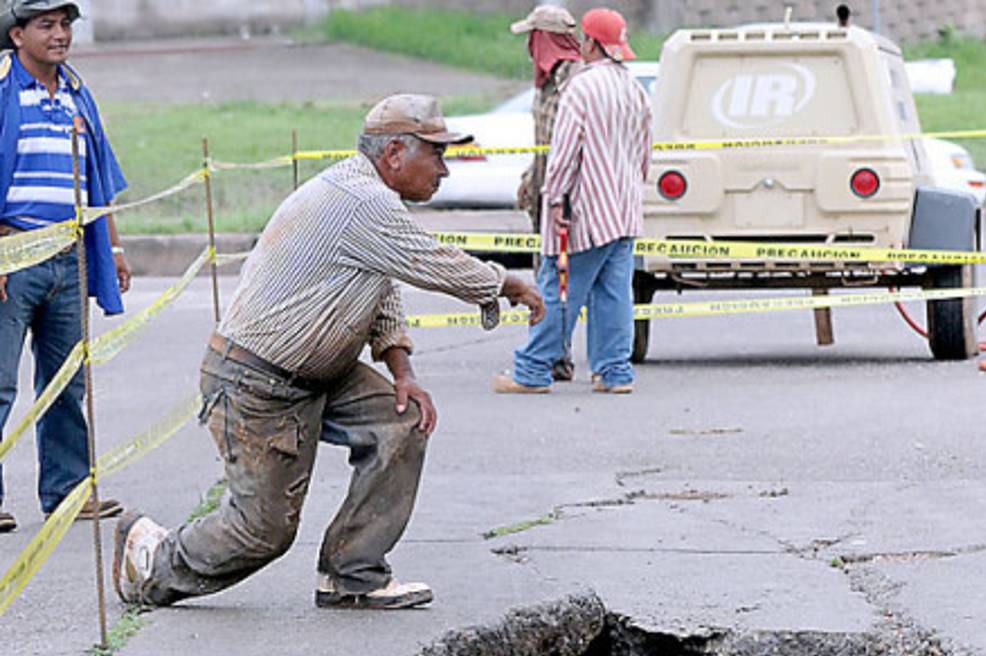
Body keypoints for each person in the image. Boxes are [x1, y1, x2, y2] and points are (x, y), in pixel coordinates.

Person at [113, 94, 545, 611]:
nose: (445, 171)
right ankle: (152, 561)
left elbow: (380, 290)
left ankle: (353, 573)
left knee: (399, 419)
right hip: (258, 384)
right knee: (262, 533)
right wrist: (505, 282)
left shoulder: (368, 198)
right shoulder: (362, 201)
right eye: (437, 155)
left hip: (319, 374)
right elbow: (432, 262)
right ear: (394, 154)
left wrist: (400, 370)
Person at [0, 0, 131, 533]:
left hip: (69, 255)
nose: (60, 36)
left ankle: (67, 491)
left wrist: (113, 249)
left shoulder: (77, 94)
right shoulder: (5, 92)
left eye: (65, 25)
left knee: (66, 381)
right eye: (46, 26)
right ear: (17, 36)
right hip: (14, 253)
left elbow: (96, 175)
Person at [494, 7, 651, 396]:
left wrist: (556, 201)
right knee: (614, 295)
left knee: (559, 290)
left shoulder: (581, 87)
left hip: (582, 211)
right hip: (624, 209)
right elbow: (645, 153)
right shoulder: (634, 87)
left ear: (590, 43)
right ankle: (614, 373)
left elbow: (563, 155)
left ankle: (531, 370)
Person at [510, 4, 582, 382]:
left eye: (533, 39)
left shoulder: (575, 82)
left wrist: (559, 195)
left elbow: (571, 145)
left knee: (560, 281)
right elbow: (545, 142)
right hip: (543, 195)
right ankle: (552, 352)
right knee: (547, 276)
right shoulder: (546, 83)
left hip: (566, 200)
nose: (529, 48)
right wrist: (530, 176)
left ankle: (553, 357)